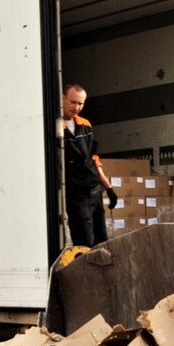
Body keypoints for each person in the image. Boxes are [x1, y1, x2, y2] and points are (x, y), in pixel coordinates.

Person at [61, 84, 118, 247]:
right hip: (76, 194)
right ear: (62, 98)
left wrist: (108, 188)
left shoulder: (85, 125)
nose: (77, 107)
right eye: (73, 102)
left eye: (81, 104)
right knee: (85, 243)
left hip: (94, 191)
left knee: (101, 242)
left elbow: (93, 158)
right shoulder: (56, 127)